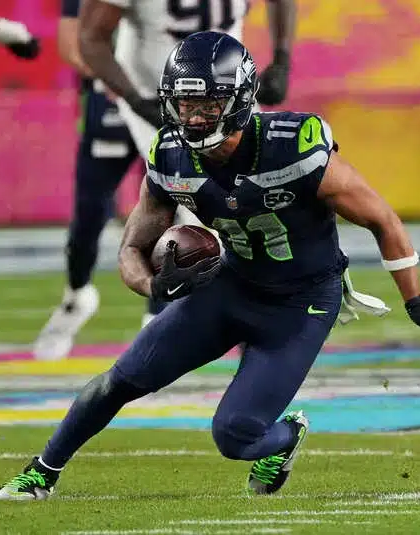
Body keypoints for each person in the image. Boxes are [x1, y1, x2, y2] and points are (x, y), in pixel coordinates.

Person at [0, 32, 420, 500]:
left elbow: (382, 219)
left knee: (235, 435)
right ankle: (41, 472)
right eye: (184, 103)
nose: (193, 116)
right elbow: (132, 249)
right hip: (230, 286)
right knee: (121, 379)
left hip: (301, 304)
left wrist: (415, 301)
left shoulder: (293, 148)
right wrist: (153, 285)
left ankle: (286, 436)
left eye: (208, 104)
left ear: (239, 98)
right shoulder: (171, 155)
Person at [32, 0, 297, 360]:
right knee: (138, 204)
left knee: (250, 196)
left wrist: (282, 58)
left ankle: (243, 312)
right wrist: (134, 100)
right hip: (151, 92)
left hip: (225, 93)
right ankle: (139, 312)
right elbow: (88, 39)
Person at [31, 0, 137, 360]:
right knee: (89, 212)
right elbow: (70, 44)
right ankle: (77, 295)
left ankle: (162, 316)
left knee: (182, 201)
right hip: (112, 101)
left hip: (167, 97)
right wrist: (116, 79)